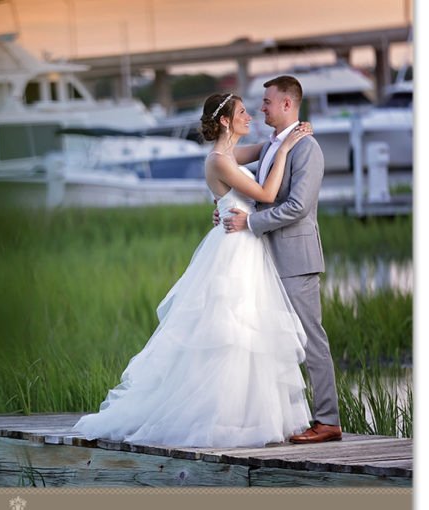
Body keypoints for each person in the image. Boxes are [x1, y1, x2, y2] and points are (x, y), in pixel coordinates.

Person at [72, 92, 313, 447]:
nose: (251, 116)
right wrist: (289, 148)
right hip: (234, 250)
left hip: (244, 245)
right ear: (226, 121)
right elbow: (264, 193)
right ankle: (221, 419)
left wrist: (286, 138)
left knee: (250, 332)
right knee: (229, 333)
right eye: (243, 112)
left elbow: (265, 151)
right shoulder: (219, 160)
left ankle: (247, 417)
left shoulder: (229, 154)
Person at [219, 76, 341, 444]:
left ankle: (328, 421)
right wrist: (230, 209)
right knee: (275, 341)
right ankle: (287, 418)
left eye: (268, 102)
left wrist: (250, 222)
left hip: (296, 259)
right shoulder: (274, 145)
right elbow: (259, 190)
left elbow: (298, 206)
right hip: (268, 258)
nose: (262, 108)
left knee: (310, 339)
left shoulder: (307, 149)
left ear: (288, 104)